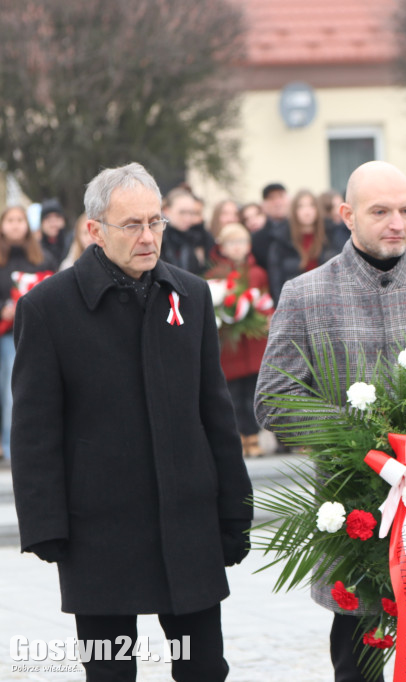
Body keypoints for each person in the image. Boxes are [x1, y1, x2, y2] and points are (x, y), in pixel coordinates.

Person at [11, 162, 252, 680]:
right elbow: (34, 430)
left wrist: (234, 509)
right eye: (133, 225)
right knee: (112, 672)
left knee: (204, 667)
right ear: (94, 230)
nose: (149, 237)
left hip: (187, 523)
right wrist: (46, 525)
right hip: (98, 531)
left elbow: (215, 410)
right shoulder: (48, 308)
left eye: (156, 222)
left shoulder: (190, 294)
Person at [255, 160, 406, 682]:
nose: (397, 223)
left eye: (405, 210)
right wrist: (354, 443)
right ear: (346, 215)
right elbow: (273, 398)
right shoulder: (306, 294)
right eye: (380, 211)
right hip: (353, 510)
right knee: (358, 664)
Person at [207, 222, 271, 458]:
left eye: (241, 242)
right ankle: (240, 438)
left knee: (252, 394)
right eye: (231, 243)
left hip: (253, 344)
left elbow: (265, 301)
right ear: (222, 247)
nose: (237, 248)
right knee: (233, 395)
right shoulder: (214, 276)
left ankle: (253, 436)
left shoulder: (257, 273)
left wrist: (264, 318)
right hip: (230, 348)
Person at [0, 205, 58, 463]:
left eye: (19, 220)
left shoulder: (41, 257)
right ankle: (7, 446)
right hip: (4, 333)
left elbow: (52, 289)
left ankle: (18, 447)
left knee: (21, 392)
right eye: (10, 220)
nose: (14, 225)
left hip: (31, 334)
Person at [266, 189, 340, 302]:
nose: (307, 211)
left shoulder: (330, 235)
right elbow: (276, 280)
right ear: (294, 211)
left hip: (328, 301)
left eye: (311, 206)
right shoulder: (282, 239)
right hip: (296, 303)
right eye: (301, 206)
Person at [161, 187, 213, 275]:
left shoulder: (197, 237)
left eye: (191, 213)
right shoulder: (159, 238)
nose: (187, 218)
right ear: (167, 211)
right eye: (182, 212)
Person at [38, 198, 71, 263]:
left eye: (57, 217)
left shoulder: (72, 244)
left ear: (63, 221)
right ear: (41, 224)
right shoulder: (36, 248)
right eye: (48, 218)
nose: (53, 223)